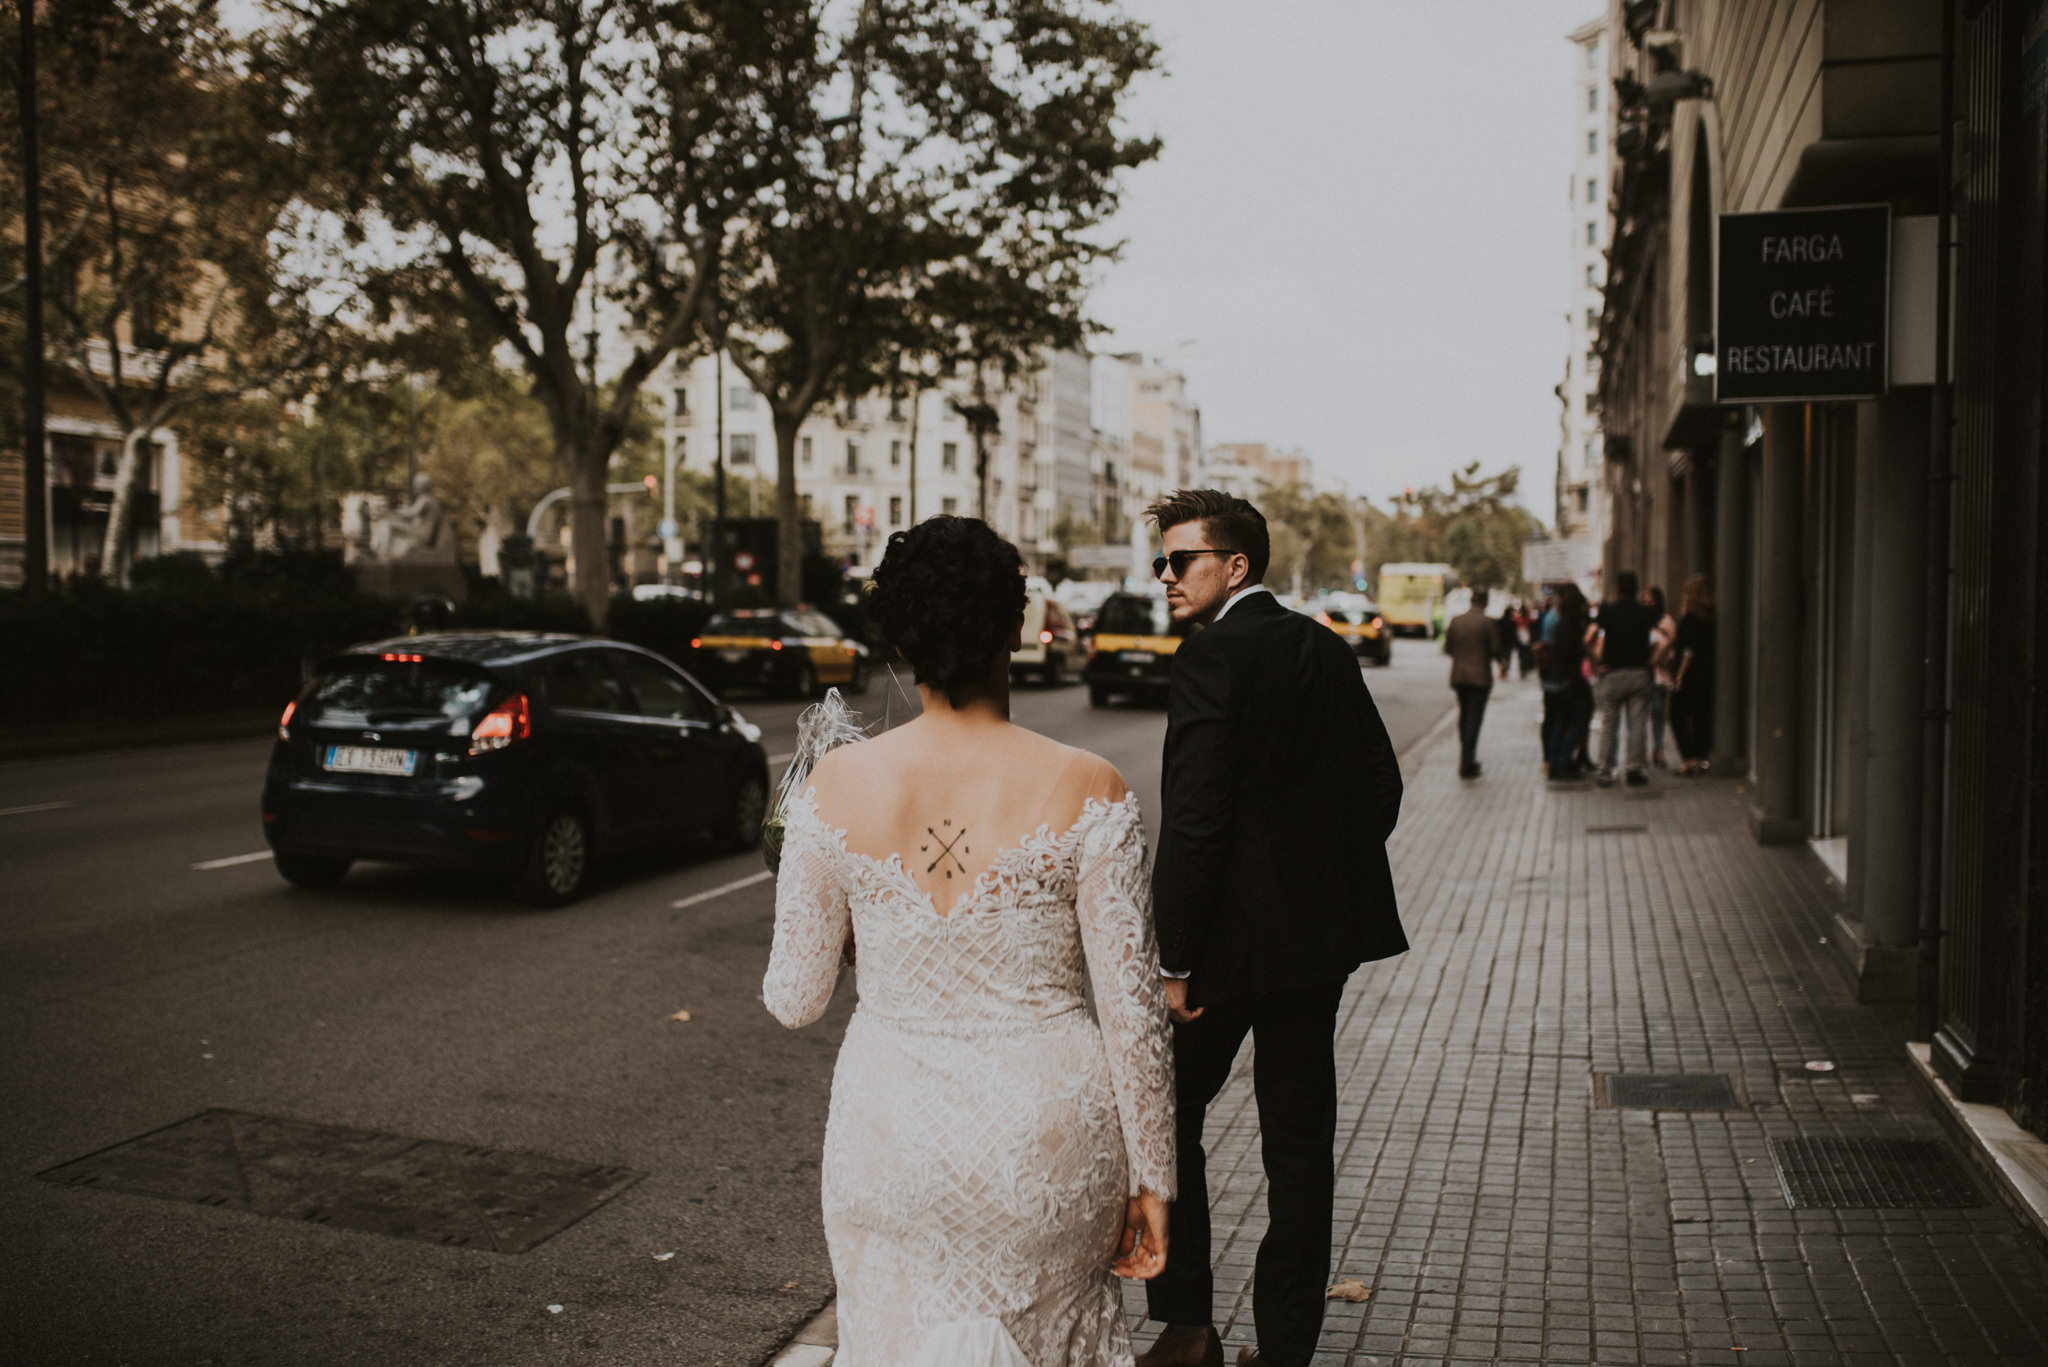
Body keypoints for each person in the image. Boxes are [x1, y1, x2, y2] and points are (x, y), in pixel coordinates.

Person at [763, 515, 1176, 1367]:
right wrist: (1155, 1180)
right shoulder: (1088, 785)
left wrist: (857, 923)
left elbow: (795, 999)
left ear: (899, 640)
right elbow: (1135, 1018)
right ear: (1017, 626)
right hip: (1047, 1146)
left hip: (892, 1144)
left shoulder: (831, 784)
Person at [1139, 489, 1407, 1367]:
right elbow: (1381, 786)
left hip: (1221, 951)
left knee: (1170, 1112)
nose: (1166, 577)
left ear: (1235, 565)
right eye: (1163, 563)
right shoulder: (1324, 650)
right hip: (1312, 949)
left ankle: (1187, 1325)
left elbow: (1196, 820)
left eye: (1181, 560)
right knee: (1299, 1145)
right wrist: (1317, 880)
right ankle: (1285, 1346)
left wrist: (1174, 958)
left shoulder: (1210, 656)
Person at [1590, 569, 1657, 787]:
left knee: (1610, 723)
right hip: (1639, 673)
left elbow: (1588, 637)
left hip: (1612, 673)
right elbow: (1670, 635)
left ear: (1617, 589)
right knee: (1638, 724)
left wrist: (1596, 662)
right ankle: (1634, 769)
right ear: (1636, 589)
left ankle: (1604, 770)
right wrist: (1654, 660)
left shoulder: (1607, 611)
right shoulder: (1645, 612)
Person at [1443, 587, 1509, 778]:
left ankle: (1466, 757)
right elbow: (1496, 649)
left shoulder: (1456, 621)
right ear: (1485, 603)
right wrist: (1501, 664)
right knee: (1474, 718)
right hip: (1479, 677)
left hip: (1459, 676)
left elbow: (1448, 648)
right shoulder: (1487, 623)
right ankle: (1467, 761)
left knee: (1464, 716)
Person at [1540, 585, 1591, 781]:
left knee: (1560, 723)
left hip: (1557, 680)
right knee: (1577, 722)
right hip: (1569, 681)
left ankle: (1554, 762)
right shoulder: (1569, 626)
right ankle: (1561, 761)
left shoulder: (1560, 623)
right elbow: (1571, 656)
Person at [1669, 572, 1718, 774]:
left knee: (1677, 714)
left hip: (1689, 675)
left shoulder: (1690, 617)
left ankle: (1688, 759)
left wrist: (1680, 675)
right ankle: (1699, 758)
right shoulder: (1709, 616)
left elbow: (1688, 650)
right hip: (1705, 673)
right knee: (1700, 716)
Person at [1644, 585, 1678, 769]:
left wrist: (1658, 656)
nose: (1647, 602)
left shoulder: (1666, 620)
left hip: (1661, 672)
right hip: (1643, 673)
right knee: (1641, 713)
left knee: (1657, 710)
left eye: (1650, 598)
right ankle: (1641, 750)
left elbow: (1673, 640)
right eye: (1644, 598)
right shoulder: (1641, 619)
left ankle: (1657, 749)